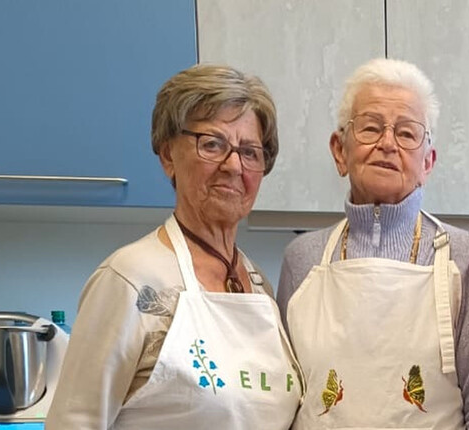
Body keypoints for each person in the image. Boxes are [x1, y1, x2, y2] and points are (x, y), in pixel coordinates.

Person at [46, 64, 301, 429]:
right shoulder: (130, 279)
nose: (233, 165)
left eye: (249, 152)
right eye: (212, 144)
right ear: (168, 156)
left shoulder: (258, 284)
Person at [277, 58, 469, 429]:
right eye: (370, 128)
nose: (387, 144)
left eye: (408, 133)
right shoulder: (303, 259)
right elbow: (285, 396)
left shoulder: (464, 256)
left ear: (428, 162)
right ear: (339, 150)